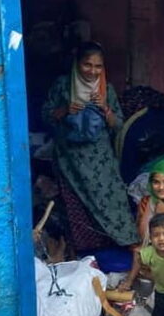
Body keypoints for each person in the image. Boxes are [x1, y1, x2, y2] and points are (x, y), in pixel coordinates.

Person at [42, 41, 139, 252]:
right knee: (77, 206)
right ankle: (86, 253)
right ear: (77, 63)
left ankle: (124, 245)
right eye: (87, 65)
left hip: (100, 160)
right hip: (70, 159)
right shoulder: (63, 85)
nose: (93, 71)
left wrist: (105, 108)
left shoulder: (106, 89)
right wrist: (65, 110)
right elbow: (45, 116)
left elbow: (118, 125)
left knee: (111, 201)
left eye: (98, 67)